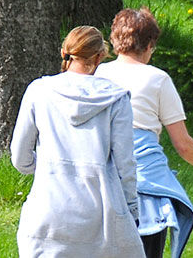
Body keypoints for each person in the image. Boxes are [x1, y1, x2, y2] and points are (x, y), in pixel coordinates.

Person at [95, 8, 193, 258]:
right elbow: (183, 144)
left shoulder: (99, 74)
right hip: (143, 189)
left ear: (114, 39)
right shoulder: (158, 79)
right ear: (150, 45)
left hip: (102, 185)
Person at [10, 26, 144, 258]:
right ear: (100, 56)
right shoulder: (116, 98)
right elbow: (125, 164)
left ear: (65, 52)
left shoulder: (39, 91)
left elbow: (19, 157)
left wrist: (45, 168)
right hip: (100, 214)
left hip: (47, 210)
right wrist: (132, 208)